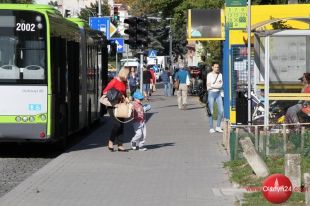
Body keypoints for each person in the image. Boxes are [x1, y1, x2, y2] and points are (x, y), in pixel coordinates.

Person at [103, 67, 130, 152]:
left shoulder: (124, 82)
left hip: (121, 105)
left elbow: (125, 93)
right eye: (127, 75)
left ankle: (120, 145)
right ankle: (111, 141)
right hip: (112, 105)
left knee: (121, 125)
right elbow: (105, 91)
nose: (127, 76)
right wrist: (117, 94)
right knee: (117, 124)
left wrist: (127, 98)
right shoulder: (114, 81)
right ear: (123, 74)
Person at [207, 62, 224, 133]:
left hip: (218, 94)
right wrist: (216, 85)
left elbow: (221, 85)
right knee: (211, 111)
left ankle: (218, 126)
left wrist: (213, 85)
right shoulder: (209, 75)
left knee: (221, 110)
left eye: (218, 67)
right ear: (212, 67)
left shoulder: (220, 75)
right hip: (211, 93)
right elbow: (208, 85)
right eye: (216, 67)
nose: (217, 68)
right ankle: (211, 127)